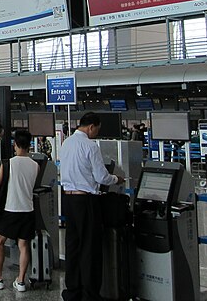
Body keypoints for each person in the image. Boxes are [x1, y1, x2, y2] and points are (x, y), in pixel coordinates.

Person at [60, 112, 124, 301]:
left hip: (69, 200)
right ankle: (90, 294)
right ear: (91, 127)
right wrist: (116, 179)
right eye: (97, 129)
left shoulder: (66, 143)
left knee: (73, 246)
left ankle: (72, 291)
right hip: (86, 201)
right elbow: (101, 177)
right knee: (90, 248)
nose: (96, 133)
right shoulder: (90, 146)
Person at [0, 129, 39, 291]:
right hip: (28, 209)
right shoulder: (35, 165)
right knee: (24, 244)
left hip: (10, 209)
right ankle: (21, 281)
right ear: (29, 145)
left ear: (15, 144)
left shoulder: (8, 163)